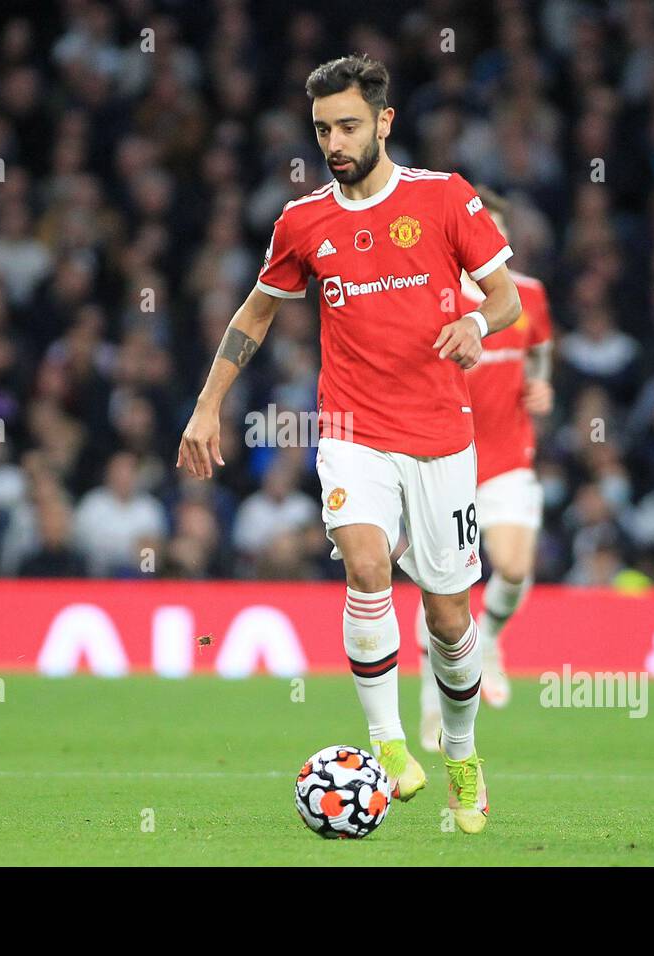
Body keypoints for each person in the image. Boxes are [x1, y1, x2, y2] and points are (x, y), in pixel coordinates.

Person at [177, 54, 521, 834]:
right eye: (323, 128)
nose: (334, 141)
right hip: (352, 433)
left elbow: (502, 298)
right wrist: (207, 408)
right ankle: (388, 745)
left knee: (447, 619)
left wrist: (474, 322)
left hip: (440, 439)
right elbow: (255, 314)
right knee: (366, 565)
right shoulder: (303, 222)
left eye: (348, 126)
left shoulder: (444, 198)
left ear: (384, 122)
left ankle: (462, 753)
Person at [414, 186, 554, 751]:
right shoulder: (434, 298)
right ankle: (430, 700)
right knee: (444, 591)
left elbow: (540, 348)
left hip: (507, 458)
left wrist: (542, 384)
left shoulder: (529, 297)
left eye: (494, 231)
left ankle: (490, 639)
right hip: (445, 459)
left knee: (514, 567)